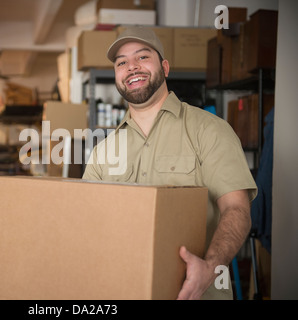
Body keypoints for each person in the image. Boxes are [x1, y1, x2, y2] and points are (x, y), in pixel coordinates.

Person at [82, 26, 258, 300]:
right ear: (116, 75)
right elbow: (87, 222)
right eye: (122, 62)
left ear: (164, 66)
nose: (132, 67)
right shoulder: (103, 151)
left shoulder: (209, 130)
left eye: (142, 57)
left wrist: (210, 268)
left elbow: (237, 209)